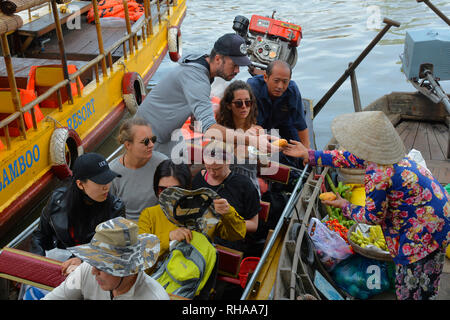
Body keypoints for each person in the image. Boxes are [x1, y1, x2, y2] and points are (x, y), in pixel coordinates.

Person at [283, 110, 450, 300]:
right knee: (429, 279)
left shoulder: (378, 174)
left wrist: (345, 205)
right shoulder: (392, 157)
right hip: (441, 220)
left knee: (410, 287)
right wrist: (311, 154)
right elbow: (349, 158)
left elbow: (373, 217)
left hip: (420, 233)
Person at [135, 33, 277, 159]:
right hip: (148, 136)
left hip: (169, 134)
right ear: (217, 59)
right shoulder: (197, 78)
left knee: (183, 169)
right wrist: (250, 140)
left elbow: (194, 103)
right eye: (234, 65)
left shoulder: (203, 64)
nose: (237, 70)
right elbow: (209, 129)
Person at [31, 152, 125, 275]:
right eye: (100, 182)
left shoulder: (116, 208)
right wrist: (39, 263)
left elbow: (111, 247)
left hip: (95, 271)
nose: (106, 187)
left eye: (108, 180)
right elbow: (40, 236)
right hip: (60, 265)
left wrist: (81, 259)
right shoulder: (57, 200)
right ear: (80, 184)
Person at [138, 159, 246, 264]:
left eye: (175, 190)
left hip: (196, 277)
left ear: (186, 189)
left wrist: (228, 212)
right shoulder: (149, 214)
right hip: (158, 278)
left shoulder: (204, 211)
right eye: (163, 189)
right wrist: (169, 238)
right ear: (156, 188)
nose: (168, 196)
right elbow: (141, 254)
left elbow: (238, 234)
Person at [43, 217, 169, 300]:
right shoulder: (86, 269)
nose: (93, 271)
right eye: (93, 261)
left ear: (126, 268)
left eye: (102, 266)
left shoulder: (154, 297)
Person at [191, 142, 260, 253]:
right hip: (200, 238)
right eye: (208, 167)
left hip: (229, 242)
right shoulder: (199, 178)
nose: (212, 173)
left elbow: (254, 224)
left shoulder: (244, 185)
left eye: (217, 168)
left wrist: (221, 223)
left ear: (228, 161)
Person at [247, 60, 309, 167]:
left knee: (295, 148)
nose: (280, 86)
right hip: (257, 123)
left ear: (289, 81)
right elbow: (243, 121)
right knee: (259, 151)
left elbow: (301, 125)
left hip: (283, 121)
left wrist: (307, 152)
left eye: (285, 82)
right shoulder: (252, 88)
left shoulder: (292, 90)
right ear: (266, 78)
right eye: (276, 81)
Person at [109, 117, 167, 221]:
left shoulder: (163, 163)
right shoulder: (111, 172)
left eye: (153, 139)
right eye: (145, 141)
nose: (152, 145)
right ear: (128, 145)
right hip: (129, 228)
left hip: (158, 222)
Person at [216, 80, 263, 195]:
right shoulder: (221, 132)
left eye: (248, 102)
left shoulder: (258, 131)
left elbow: (263, 164)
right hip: (224, 184)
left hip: (249, 187)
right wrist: (244, 140)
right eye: (238, 103)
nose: (244, 107)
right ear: (228, 105)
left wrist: (264, 151)